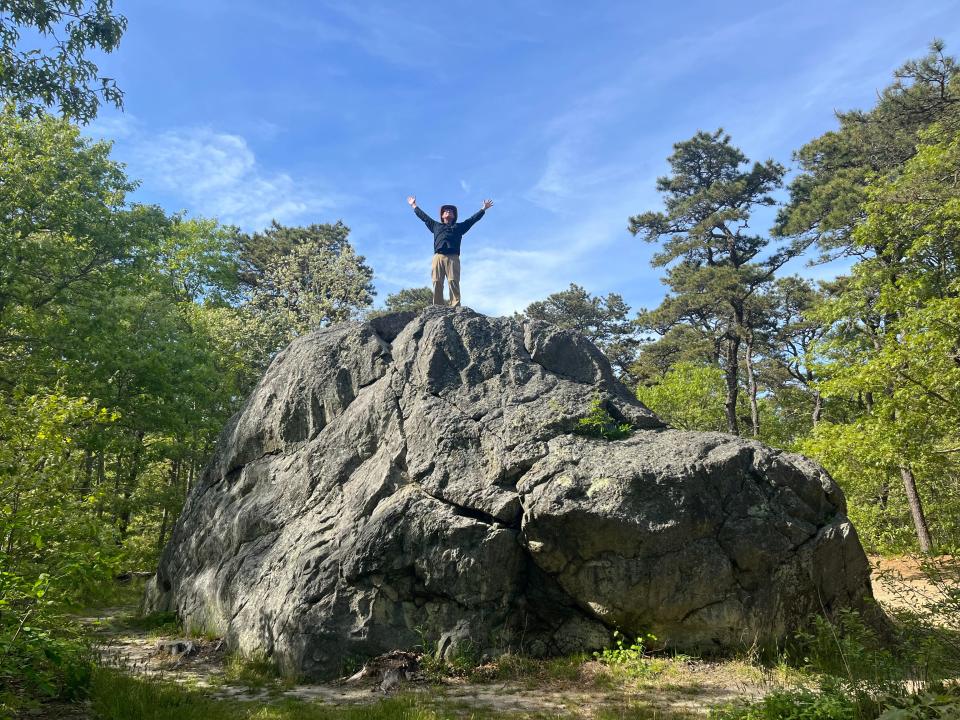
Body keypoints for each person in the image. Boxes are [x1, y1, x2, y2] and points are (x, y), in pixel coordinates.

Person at [407, 195, 493, 307]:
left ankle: (455, 305)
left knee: (453, 281)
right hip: (438, 257)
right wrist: (414, 205)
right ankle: (437, 306)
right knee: (437, 281)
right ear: (442, 215)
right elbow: (424, 217)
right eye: (446, 211)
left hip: (453, 257)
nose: (448, 212)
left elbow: (472, 220)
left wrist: (483, 209)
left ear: (454, 216)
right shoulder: (436, 225)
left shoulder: (459, 227)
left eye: (451, 211)